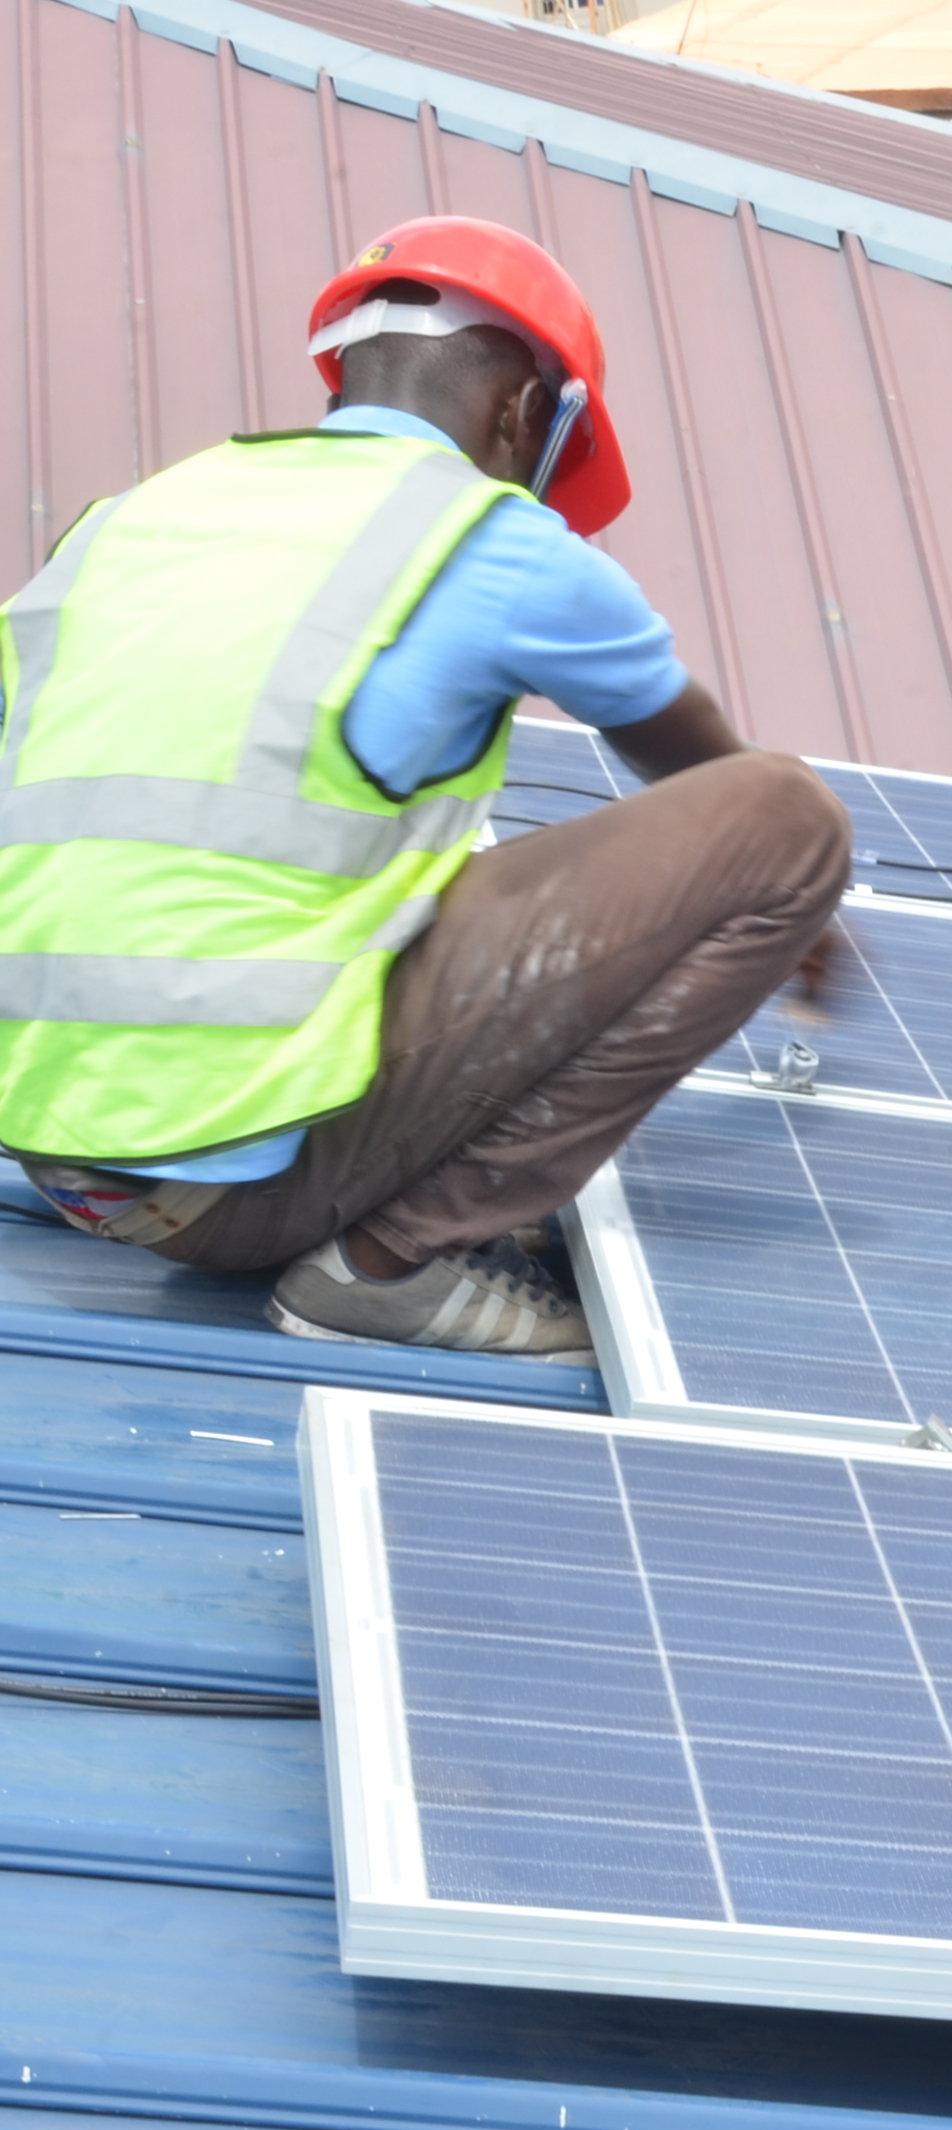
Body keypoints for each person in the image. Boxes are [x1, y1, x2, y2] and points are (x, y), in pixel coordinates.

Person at [0, 216, 849, 1364]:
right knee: (790, 822)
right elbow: (717, 780)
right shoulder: (490, 539)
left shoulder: (127, 522)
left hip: (60, 1164)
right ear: (526, 412)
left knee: (412, 856)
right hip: (236, 1190)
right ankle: (389, 1264)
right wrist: (809, 926)